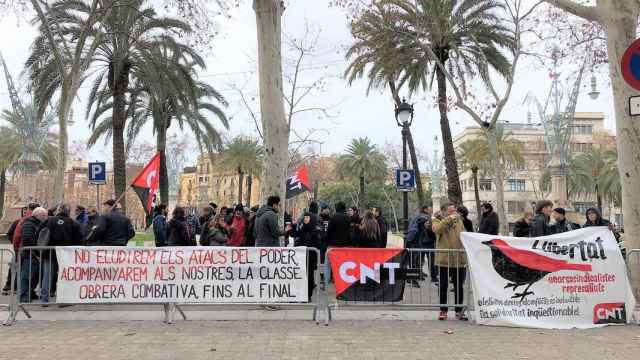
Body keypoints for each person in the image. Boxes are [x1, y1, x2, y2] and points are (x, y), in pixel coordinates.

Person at [39, 204, 83, 303]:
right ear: (68, 212)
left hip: (49, 252)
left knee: (47, 276)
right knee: (65, 276)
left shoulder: (49, 220)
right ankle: (64, 298)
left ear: (58, 210)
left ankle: (44, 299)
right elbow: (79, 238)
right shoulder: (72, 222)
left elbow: (39, 232)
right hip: (66, 254)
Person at [432, 203, 467, 321]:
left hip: (458, 259)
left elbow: (464, 234)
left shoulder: (459, 221)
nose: (454, 213)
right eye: (451, 211)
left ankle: (458, 310)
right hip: (444, 260)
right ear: (444, 212)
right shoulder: (437, 221)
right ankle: (443, 310)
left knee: (459, 286)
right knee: (443, 285)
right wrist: (448, 219)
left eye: (454, 211)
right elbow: (437, 230)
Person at [289, 212, 321, 299]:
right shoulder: (303, 228)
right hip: (302, 256)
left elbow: (318, 244)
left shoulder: (315, 230)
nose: (306, 219)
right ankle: (303, 294)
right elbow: (294, 234)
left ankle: (308, 295)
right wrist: (294, 225)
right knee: (303, 275)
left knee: (309, 276)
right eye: (305, 217)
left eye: (307, 217)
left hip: (311, 257)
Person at [19, 207, 48, 303]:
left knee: (35, 276)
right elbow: (27, 239)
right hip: (30, 254)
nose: (46, 217)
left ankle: (30, 292)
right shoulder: (29, 224)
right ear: (38, 215)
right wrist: (35, 251)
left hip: (34, 254)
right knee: (27, 276)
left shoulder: (36, 223)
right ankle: (24, 296)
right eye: (44, 215)